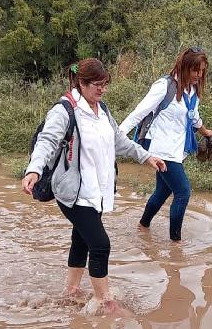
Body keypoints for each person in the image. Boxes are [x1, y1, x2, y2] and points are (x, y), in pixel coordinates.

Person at [22, 58, 166, 313]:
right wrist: (34, 169)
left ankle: (71, 291)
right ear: (82, 83)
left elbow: (119, 141)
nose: (102, 89)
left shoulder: (103, 110)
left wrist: (146, 157)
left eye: (105, 85)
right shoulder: (65, 110)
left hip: (97, 191)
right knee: (100, 244)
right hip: (73, 192)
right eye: (97, 85)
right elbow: (47, 141)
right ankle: (104, 301)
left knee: (82, 240)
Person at [119, 47, 212, 242]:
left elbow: (193, 116)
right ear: (184, 67)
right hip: (161, 149)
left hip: (177, 149)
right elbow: (139, 112)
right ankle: (176, 244)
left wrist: (204, 131)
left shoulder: (192, 89)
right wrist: (117, 135)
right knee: (183, 192)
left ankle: (142, 226)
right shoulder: (164, 86)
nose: (199, 75)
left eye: (203, 70)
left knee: (162, 191)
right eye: (196, 70)